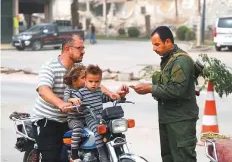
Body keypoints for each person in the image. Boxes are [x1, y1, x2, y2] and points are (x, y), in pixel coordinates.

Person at [32, 34, 129, 162]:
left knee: (94, 144)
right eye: (79, 48)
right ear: (68, 49)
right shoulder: (49, 66)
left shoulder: (79, 68)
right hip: (49, 121)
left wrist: (112, 94)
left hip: (73, 118)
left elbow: (92, 84)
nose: (83, 51)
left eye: (83, 48)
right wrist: (61, 103)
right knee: (52, 157)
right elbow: (43, 90)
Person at [132, 26, 199, 162]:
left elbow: (176, 89)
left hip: (180, 122)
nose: (154, 49)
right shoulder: (169, 59)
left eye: (157, 44)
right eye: (153, 45)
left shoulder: (180, 61)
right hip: (168, 119)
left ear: (168, 41)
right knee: (168, 158)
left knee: (183, 158)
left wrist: (150, 89)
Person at [66, 64, 128, 162]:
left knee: (113, 130)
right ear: (85, 80)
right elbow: (71, 101)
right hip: (90, 117)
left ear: (100, 81)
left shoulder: (99, 91)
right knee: (97, 131)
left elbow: (106, 98)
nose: (94, 84)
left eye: (97, 81)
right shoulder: (81, 92)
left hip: (101, 117)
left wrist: (119, 96)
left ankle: (118, 151)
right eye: (90, 81)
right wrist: (73, 101)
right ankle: (102, 154)